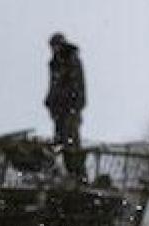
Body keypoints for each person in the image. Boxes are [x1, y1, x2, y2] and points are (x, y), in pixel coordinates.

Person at [45, 33, 86, 178]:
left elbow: (76, 87)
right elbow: (53, 86)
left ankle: (78, 175)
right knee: (60, 142)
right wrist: (50, 101)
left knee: (71, 142)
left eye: (56, 46)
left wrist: (73, 105)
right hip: (59, 110)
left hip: (70, 109)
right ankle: (67, 174)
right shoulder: (55, 64)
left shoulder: (71, 60)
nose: (54, 49)